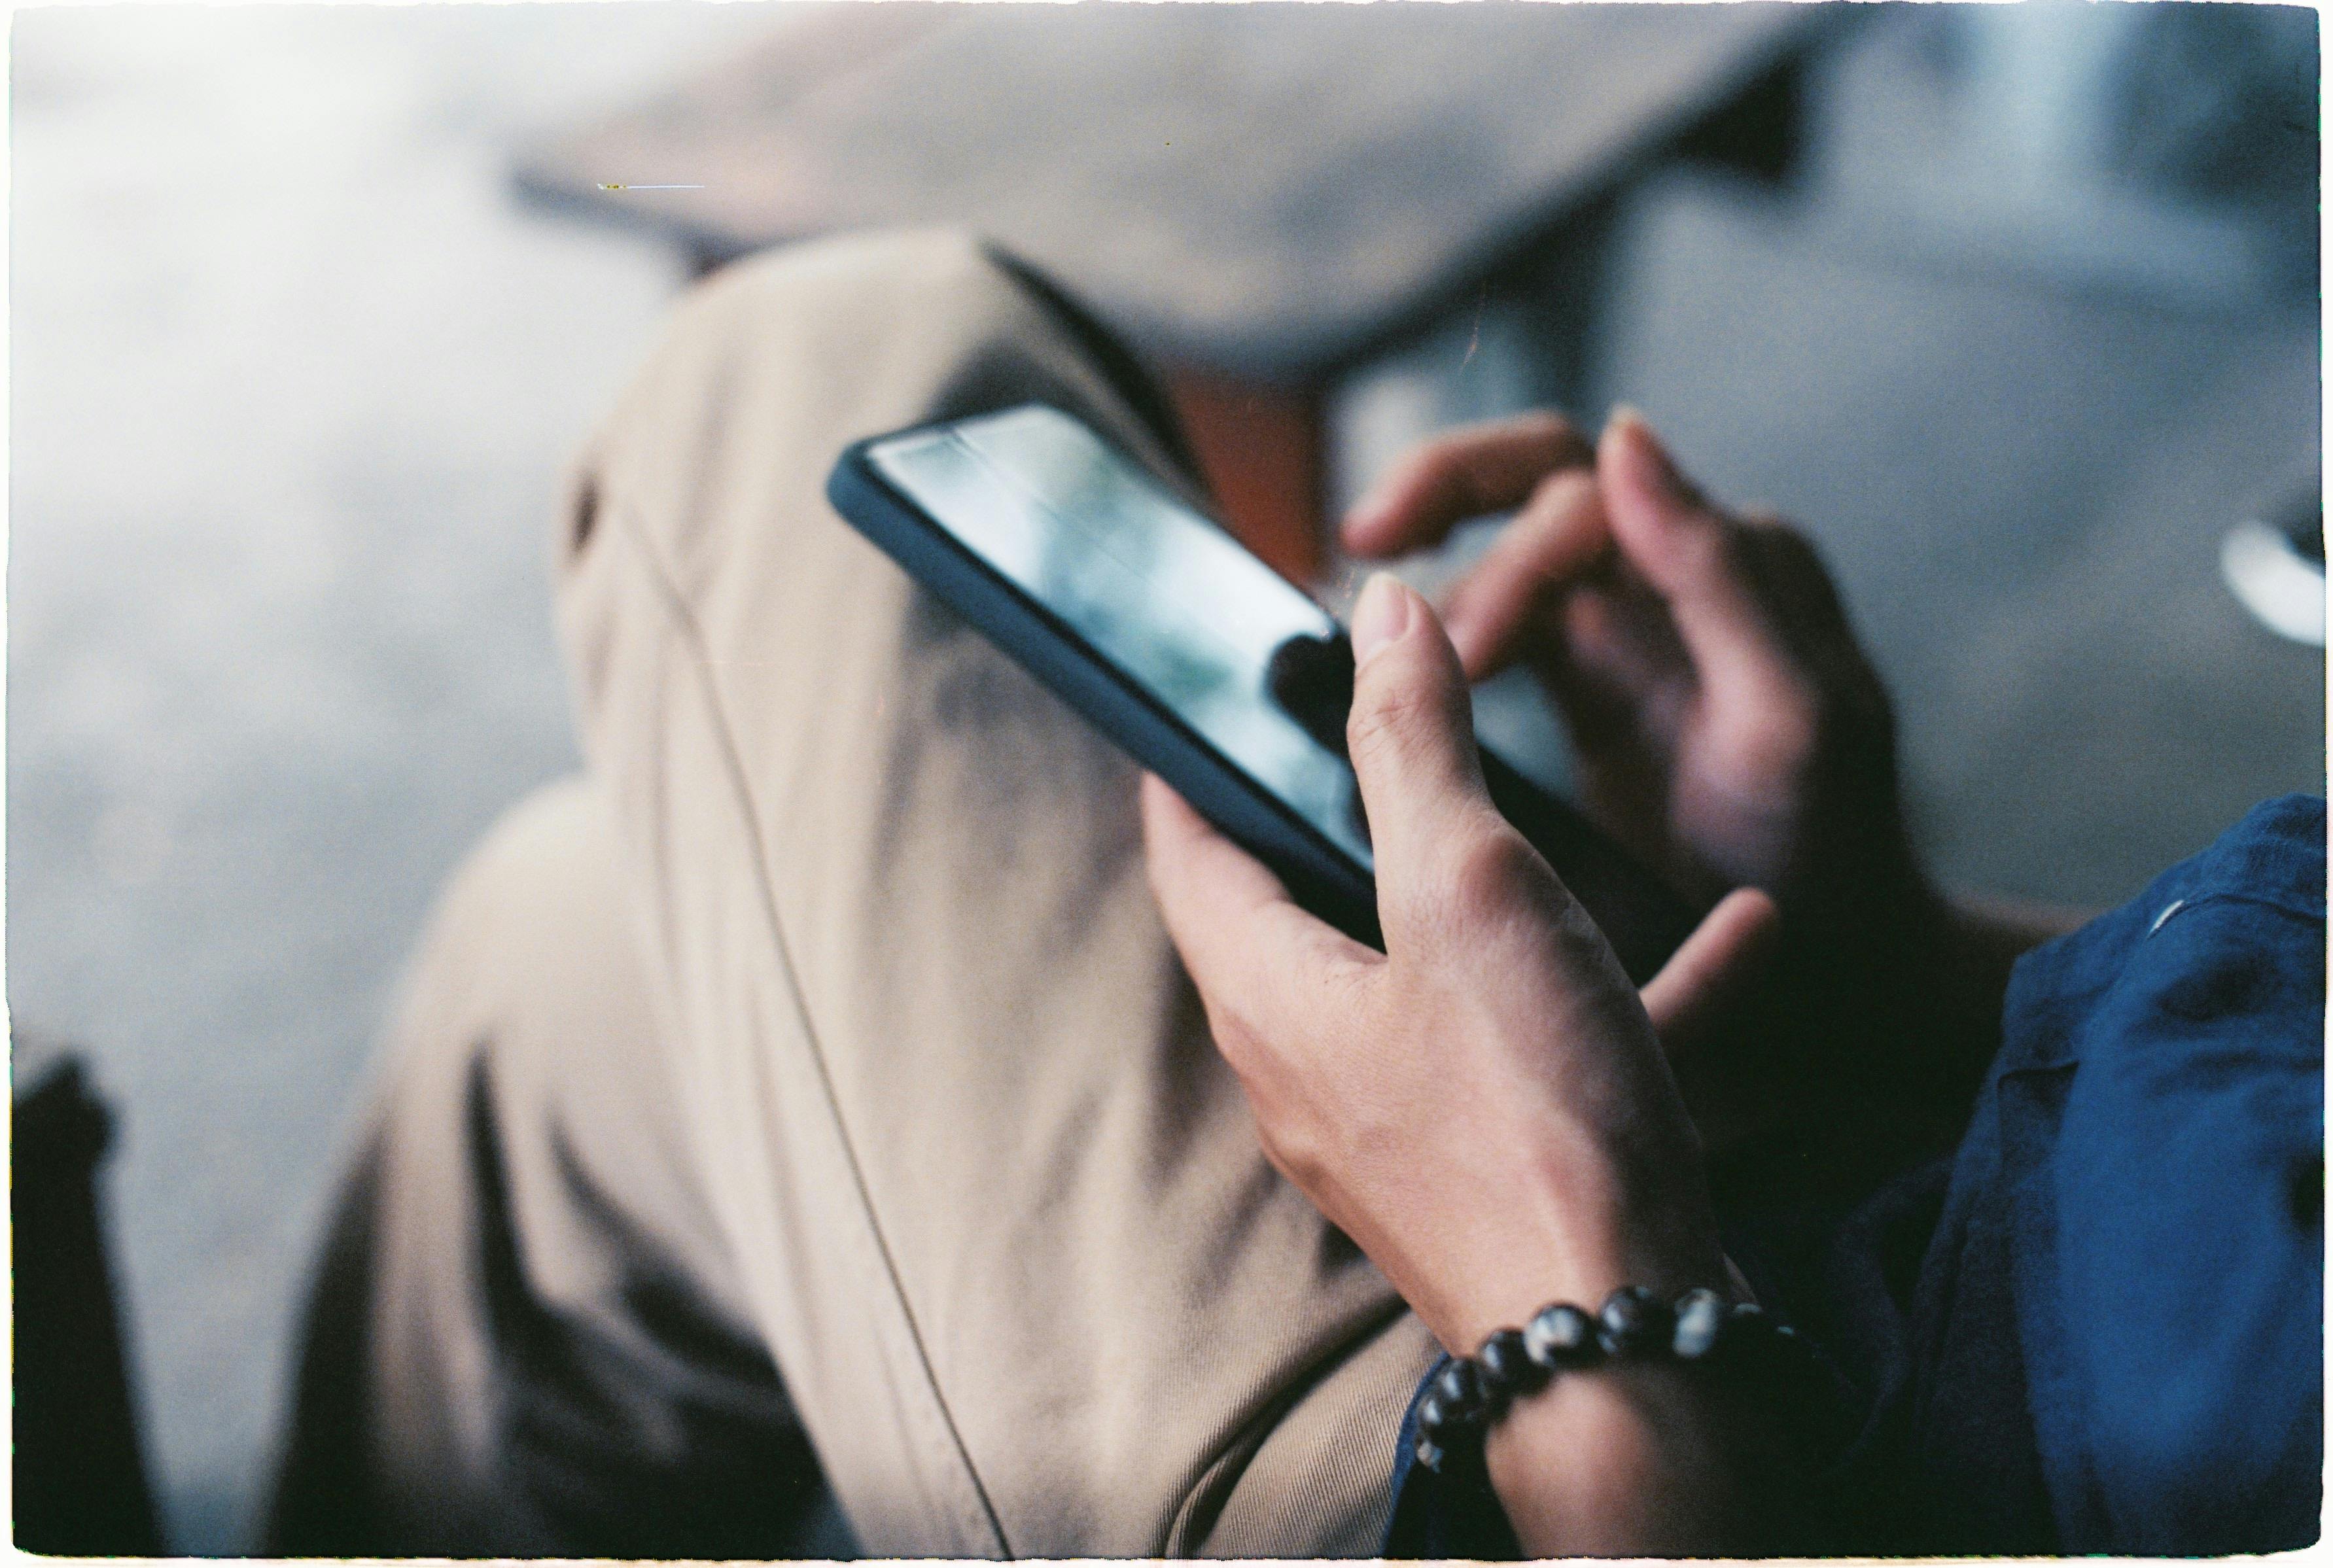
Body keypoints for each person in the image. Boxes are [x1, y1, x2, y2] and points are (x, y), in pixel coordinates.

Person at [268, 228, 2322, 1558]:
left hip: (1682, 1456)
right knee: (565, 980)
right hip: (1945, 1177)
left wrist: (1574, 1314)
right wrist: (1903, 961)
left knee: (821, 349)